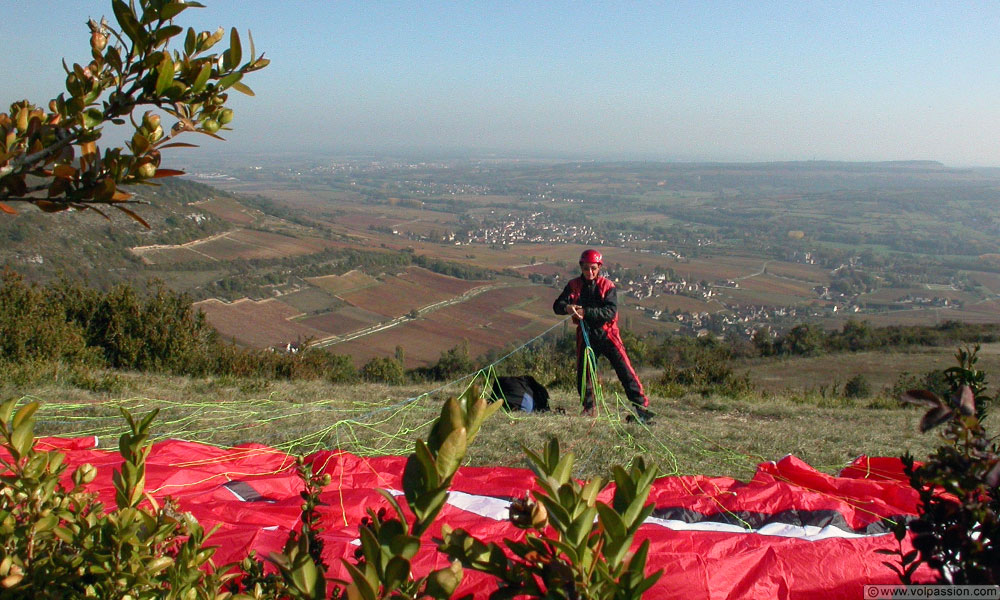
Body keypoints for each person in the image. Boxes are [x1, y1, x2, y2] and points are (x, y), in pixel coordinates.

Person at [553, 249, 653, 424]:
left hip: (608, 334)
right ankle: (589, 409)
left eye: (593, 268)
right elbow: (557, 305)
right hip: (585, 334)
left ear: (599, 267)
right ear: (581, 268)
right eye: (586, 269)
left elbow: (610, 311)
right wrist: (567, 308)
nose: (589, 273)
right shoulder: (574, 285)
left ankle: (642, 408)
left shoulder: (607, 286)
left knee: (625, 370)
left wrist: (586, 312)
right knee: (585, 374)